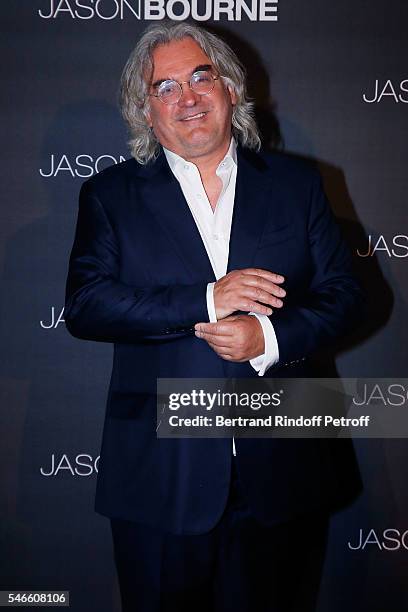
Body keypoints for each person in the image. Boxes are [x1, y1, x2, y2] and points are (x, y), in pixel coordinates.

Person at [65, 22, 363, 612]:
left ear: (229, 88)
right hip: (158, 482)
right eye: (165, 87)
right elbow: (86, 304)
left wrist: (269, 336)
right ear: (145, 112)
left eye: (201, 76)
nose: (189, 97)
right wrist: (206, 299)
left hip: (281, 474)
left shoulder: (298, 185)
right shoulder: (109, 196)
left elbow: (345, 296)